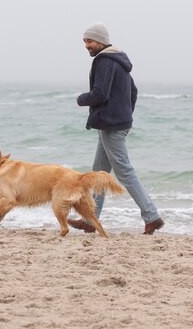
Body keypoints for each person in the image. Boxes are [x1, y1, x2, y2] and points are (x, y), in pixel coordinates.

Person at [67, 23, 165, 235]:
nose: (86, 45)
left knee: (124, 170)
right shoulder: (119, 61)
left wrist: (80, 99)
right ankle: (90, 219)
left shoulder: (105, 60)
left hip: (112, 125)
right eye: (84, 41)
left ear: (101, 41)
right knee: (98, 173)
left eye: (90, 41)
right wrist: (125, 114)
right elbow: (134, 92)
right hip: (114, 123)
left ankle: (152, 216)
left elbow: (100, 93)